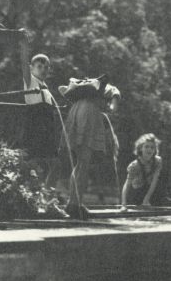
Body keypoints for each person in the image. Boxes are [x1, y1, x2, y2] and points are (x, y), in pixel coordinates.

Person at [59, 75, 120, 219]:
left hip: (75, 112)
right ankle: (75, 204)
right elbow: (114, 105)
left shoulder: (81, 87)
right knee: (84, 163)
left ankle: (72, 202)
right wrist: (110, 108)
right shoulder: (111, 88)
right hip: (89, 114)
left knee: (79, 162)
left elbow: (62, 89)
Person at [19, 36, 60, 188]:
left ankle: (46, 196)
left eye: (46, 67)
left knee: (55, 164)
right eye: (39, 66)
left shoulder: (46, 87)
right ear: (32, 68)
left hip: (47, 128)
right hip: (35, 125)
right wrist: (24, 46)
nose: (43, 70)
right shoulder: (30, 81)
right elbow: (23, 64)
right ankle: (31, 196)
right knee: (33, 164)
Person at [121, 133, 166, 210]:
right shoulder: (134, 165)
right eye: (146, 147)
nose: (149, 149)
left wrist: (146, 199)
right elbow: (127, 185)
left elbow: (154, 182)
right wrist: (124, 205)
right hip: (137, 193)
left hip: (149, 192)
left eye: (152, 147)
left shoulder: (157, 161)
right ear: (140, 148)